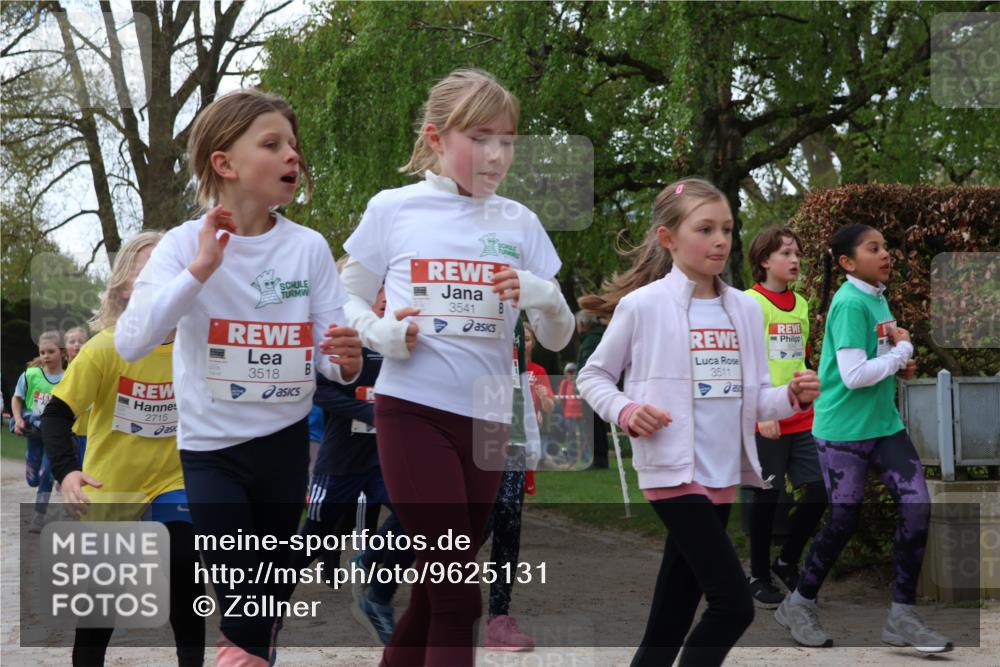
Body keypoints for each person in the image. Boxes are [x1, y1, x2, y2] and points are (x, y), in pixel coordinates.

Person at [114, 89, 363, 666]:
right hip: (212, 451)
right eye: (272, 145)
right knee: (241, 605)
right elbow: (132, 340)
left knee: (264, 603)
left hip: (283, 445)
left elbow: (333, 358)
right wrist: (201, 271)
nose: (293, 157)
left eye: (294, 147)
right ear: (224, 163)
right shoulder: (181, 246)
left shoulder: (308, 248)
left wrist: (346, 361)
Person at [340, 68, 574, 666]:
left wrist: (540, 295)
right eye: (481, 138)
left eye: (508, 140)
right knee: (458, 598)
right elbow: (345, 297)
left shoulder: (519, 221)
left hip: (491, 416)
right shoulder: (393, 209)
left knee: (434, 596)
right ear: (437, 137)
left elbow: (559, 332)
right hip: (415, 410)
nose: (497, 154)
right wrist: (381, 332)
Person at [576, 177, 820, 667]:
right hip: (672, 473)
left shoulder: (745, 310)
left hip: (722, 474)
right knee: (733, 607)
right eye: (705, 229)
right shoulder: (642, 306)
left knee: (672, 613)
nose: (720, 240)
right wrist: (626, 410)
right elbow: (594, 375)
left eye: (727, 229)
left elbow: (755, 401)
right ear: (669, 238)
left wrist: (790, 397)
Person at [774, 223, 952, 653]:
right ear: (848, 263)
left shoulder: (876, 295)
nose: (886, 253)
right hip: (842, 433)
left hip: (884, 426)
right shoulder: (850, 303)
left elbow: (874, 361)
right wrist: (902, 353)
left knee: (917, 506)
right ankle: (799, 604)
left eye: (886, 246)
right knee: (843, 519)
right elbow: (853, 377)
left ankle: (902, 616)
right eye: (874, 248)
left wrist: (895, 360)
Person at [42, 232, 205, 667]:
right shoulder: (104, 349)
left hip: (173, 484)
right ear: (124, 287)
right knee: (98, 618)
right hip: (111, 488)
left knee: (184, 576)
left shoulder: (199, 348)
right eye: (148, 270)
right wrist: (66, 472)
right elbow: (56, 416)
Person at [743, 226, 828, 608]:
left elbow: (800, 359)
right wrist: (759, 413)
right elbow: (742, 364)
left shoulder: (803, 304)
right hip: (765, 419)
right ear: (764, 260)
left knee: (821, 489)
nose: (795, 260)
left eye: (797, 253)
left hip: (802, 417)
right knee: (767, 497)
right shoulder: (749, 303)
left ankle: (786, 560)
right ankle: (758, 575)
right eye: (786, 254)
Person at [484, 317, 544, 652]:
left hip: (509, 436)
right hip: (460, 423)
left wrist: (529, 442)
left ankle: (499, 617)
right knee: (471, 524)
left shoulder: (517, 322)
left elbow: (518, 383)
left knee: (508, 520)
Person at [12, 330, 64, 532]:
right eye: (42, 352)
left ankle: (38, 516)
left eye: (50, 351)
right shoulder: (30, 375)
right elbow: (17, 399)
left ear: (62, 353)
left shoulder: (68, 378)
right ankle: (32, 465)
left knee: (46, 475)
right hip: (33, 433)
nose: (46, 356)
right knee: (33, 479)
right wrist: (17, 420)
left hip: (54, 437)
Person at [576, 311, 609, 468]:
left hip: (592, 389)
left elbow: (586, 365)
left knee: (592, 425)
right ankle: (599, 458)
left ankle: (597, 459)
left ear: (582, 324)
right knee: (597, 425)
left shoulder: (590, 340)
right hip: (601, 386)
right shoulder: (600, 336)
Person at [63, 326, 90, 465]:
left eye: (81, 341)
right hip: (69, 430)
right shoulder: (64, 370)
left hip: (87, 430)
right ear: (65, 346)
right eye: (72, 341)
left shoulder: (91, 367)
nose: (77, 345)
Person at [557, 362, 584, 447]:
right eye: (569, 372)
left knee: (584, 436)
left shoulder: (580, 382)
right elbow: (561, 397)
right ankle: (572, 454)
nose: (571, 374)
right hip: (569, 414)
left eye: (573, 371)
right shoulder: (564, 383)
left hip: (581, 413)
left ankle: (585, 455)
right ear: (566, 373)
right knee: (571, 436)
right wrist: (564, 409)